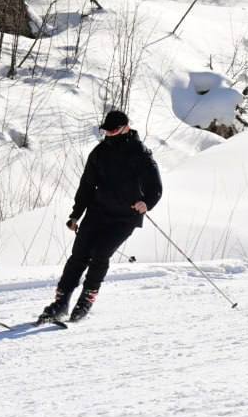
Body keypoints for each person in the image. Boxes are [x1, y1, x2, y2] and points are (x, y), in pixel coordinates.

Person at [40, 110, 162, 323]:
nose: (109, 134)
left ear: (126, 127)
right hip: (98, 212)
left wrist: (146, 203)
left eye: (113, 130)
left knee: (100, 253)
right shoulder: (99, 152)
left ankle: (86, 300)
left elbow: (156, 187)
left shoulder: (141, 154)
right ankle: (60, 303)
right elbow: (86, 185)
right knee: (78, 254)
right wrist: (75, 215)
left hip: (125, 216)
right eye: (106, 130)